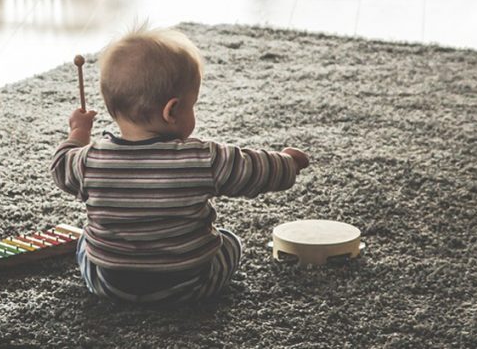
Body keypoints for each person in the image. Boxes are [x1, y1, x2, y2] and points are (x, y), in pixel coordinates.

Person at [50, 24, 309, 304]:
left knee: (84, 242)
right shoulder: (203, 158)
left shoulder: (88, 161)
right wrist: (288, 163)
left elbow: (60, 165)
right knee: (230, 241)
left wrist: (79, 132)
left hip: (111, 285)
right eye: (192, 105)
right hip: (189, 284)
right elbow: (254, 169)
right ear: (171, 110)